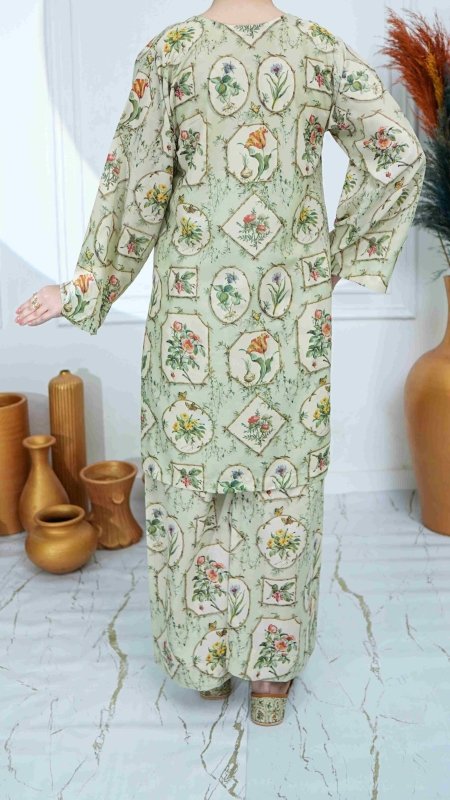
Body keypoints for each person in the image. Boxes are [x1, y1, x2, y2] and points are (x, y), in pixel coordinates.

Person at [15, 1, 426, 726]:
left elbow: (136, 191)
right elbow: (397, 151)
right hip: (288, 315)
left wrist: (82, 287)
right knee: (279, 494)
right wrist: (338, 256)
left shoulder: (172, 52)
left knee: (193, 488)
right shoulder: (314, 48)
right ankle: (270, 677)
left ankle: (205, 663)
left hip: (195, 319)